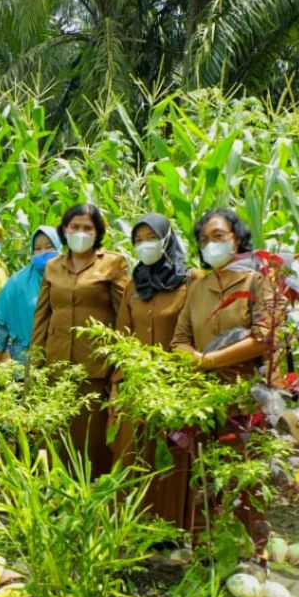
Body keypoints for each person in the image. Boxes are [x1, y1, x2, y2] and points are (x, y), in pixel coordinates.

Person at [172, 208, 276, 560]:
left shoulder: (257, 281)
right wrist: (193, 358)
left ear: (237, 238)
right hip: (203, 401)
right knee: (206, 478)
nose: (211, 244)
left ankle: (252, 557)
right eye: (204, 240)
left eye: (219, 236)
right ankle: (206, 555)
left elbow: (264, 338)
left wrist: (209, 360)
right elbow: (180, 339)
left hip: (245, 399)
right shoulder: (198, 287)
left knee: (244, 479)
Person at [114, 213, 200, 530]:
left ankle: (170, 526)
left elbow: (197, 332)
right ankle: (135, 524)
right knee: (134, 453)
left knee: (173, 456)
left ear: (166, 239)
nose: (144, 245)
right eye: (138, 240)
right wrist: (118, 383)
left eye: (151, 237)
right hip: (136, 386)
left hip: (175, 386)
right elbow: (122, 336)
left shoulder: (190, 280)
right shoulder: (133, 284)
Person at [30, 203, 129, 476]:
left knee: (92, 442)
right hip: (56, 367)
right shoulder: (53, 266)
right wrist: (35, 367)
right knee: (56, 439)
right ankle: (59, 498)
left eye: (87, 228)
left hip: (95, 369)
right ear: (64, 230)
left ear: (98, 232)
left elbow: (124, 320)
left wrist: (119, 373)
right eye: (75, 227)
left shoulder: (113, 263)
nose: (80, 233)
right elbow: (42, 318)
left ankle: (92, 502)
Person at [0, 226, 61, 363]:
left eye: (49, 247)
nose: (43, 252)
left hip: (62, 358)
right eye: (38, 248)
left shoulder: (71, 280)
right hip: (25, 361)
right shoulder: (18, 282)